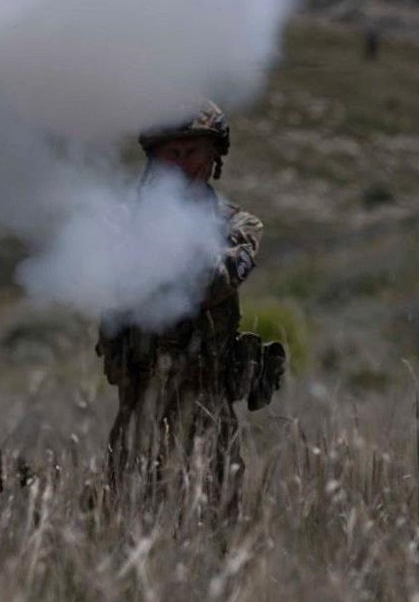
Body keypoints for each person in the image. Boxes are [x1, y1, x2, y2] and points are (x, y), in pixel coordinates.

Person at [95, 101, 284, 518]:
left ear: (214, 156)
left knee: (214, 525)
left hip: (208, 412)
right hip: (139, 409)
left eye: (193, 152)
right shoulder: (119, 221)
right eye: (172, 153)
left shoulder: (238, 225)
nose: (183, 164)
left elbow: (215, 280)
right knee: (126, 524)